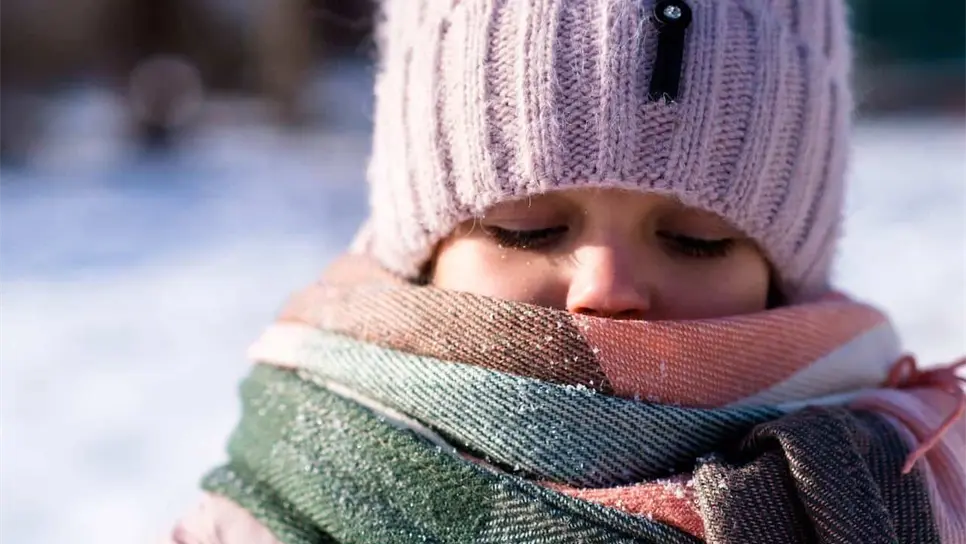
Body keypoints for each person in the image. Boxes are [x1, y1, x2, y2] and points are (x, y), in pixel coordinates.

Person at [165, 0, 965, 542]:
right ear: (424, 251)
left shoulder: (913, 485)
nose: (605, 287)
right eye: (528, 228)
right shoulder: (275, 506)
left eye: (696, 238)